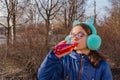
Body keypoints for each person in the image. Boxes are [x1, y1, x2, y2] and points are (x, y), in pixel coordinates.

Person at [37, 18, 113, 80]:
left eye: (80, 35)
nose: (75, 38)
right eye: (73, 35)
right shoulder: (64, 61)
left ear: (91, 39)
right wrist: (54, 55)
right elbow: (43, 77)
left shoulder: (102, 65)